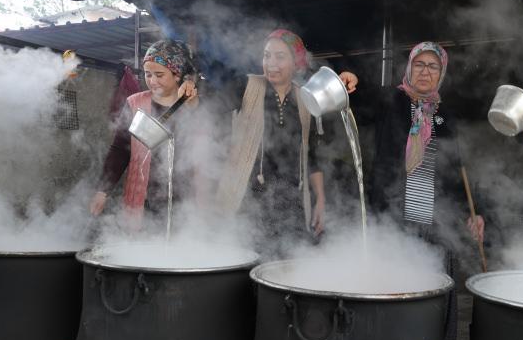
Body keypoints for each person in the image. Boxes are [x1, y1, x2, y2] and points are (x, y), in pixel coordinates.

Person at [359, 41, 485, 340]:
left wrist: (475, 212)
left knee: (434, 289)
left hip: (435, 219)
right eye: (419, 64)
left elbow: (458, 171)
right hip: (394, 215)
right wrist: (350, 79)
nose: (425, 71)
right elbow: (361, 98)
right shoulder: (392, 100)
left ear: (441, 73)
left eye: (433, 66)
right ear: (409, 67)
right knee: (394, 285)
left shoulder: (445, 114)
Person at [214, 29, 357, 253]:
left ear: (296, 62)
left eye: (280, 57)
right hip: (246, 203)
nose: (271, 63)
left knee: (286, 270)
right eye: (266, 55)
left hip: (293, 205)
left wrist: (320, 199)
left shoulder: (306, 97)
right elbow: (210, 110)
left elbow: (313, 155)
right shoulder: (245, 86)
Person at [89, 39, 201, 231]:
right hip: (142, 197)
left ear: (177, 75)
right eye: (148, 74)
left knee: (180, 251)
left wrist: (194, 105)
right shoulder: (135, 103)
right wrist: (103, 190)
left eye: (159, 74)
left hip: (183, 198)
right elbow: (120, 150)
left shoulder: (191, 103)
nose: (152, 80)